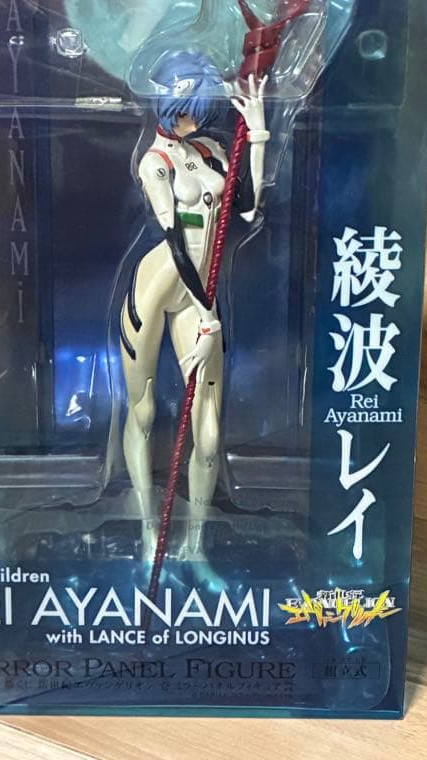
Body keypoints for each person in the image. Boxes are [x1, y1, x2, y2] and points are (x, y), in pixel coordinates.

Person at [119, 50, 269, 562]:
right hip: (159, 285)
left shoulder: (209, 149)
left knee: (208, 435)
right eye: (184, 112)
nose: (191, 123)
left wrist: (257, 133)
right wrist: (208, 317)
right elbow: (177, 245)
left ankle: (195, 546)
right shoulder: (154, 163)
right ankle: (146, 532)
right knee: (142, 410)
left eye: (198, 114)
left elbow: (246, 207)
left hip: (199, 298)